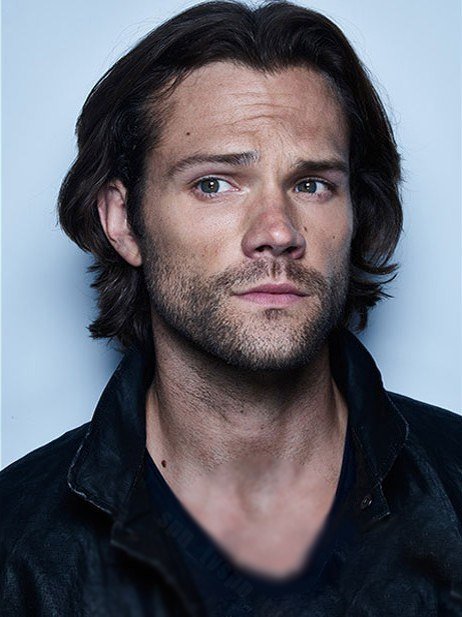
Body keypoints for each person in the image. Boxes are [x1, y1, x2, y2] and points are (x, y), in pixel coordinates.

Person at [1, 1, 461, 615]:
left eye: (312, 185)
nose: (278, 232)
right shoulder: (17, 548)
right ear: (123, 221)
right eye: (214, 183)